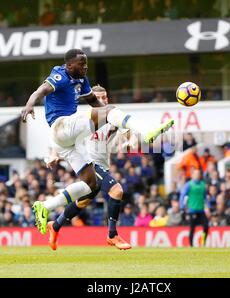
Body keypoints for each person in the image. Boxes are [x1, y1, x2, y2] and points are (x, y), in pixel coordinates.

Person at [21, 49, 174, 236]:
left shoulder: (81, 80)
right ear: (69, 65)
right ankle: (147, 130)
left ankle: (45, 206)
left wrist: (108, 115)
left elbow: (93, 100)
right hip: (62, 125)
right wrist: (29, 104)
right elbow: (41, 90)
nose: (85, 66)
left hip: (68, 140)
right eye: (81, 63)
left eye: (86, 63)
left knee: (90, 184)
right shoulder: (60, 76)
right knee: (110, 112)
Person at [45, 84, 134, 250]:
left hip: (103, 166)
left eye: (104, 97)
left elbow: (128, 131)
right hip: (90, 164)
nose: (102, 100)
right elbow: (62, 138)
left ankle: (55, 225)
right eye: (98, 98)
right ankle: (112, 235)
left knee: (83, 202)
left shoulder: (114, 116)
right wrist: (54, 155)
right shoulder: (85, 118)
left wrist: (131, 141)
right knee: (117, 191)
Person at [179, 169, 209, 247]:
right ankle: (191, 245)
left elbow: (205, 197)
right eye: (196, 174)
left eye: (199, 174)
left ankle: (203, 242)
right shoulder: (189, 185)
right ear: (192, 175)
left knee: (206, 226)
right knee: (192, 228)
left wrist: (208, 206)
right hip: (192, 210)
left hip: (201, 210)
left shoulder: (203, 185)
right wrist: (182, 207)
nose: (197, 175)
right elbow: (182, 195)